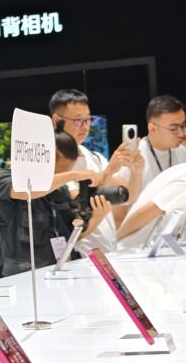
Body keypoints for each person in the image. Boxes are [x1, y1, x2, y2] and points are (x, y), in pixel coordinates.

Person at [0, 130, 111, 276]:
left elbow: (73, 236)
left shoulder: (61, 189)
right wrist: (74, 175)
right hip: (25, 275)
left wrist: (97, 217)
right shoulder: (2, 178)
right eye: (58, 172)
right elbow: (26, 190)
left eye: (66, 171)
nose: (60, 178)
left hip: (61, 270)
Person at [49, 88, 143, 252]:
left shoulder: (95, 157)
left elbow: (126, 196)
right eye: (78, 120)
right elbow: (80, 206)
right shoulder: (52, 163)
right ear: (57, 120)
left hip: (106, 250)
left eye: (88, 120)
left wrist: (136, 170)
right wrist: (109, 171)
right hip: (78, 253)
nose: (85, 127)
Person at [118, 95, 186, 188]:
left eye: (183, 126)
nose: (181, 134)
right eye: (174, 129)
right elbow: (124, 194)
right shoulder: (135, 155)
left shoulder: (183, 152)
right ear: (152, 129)